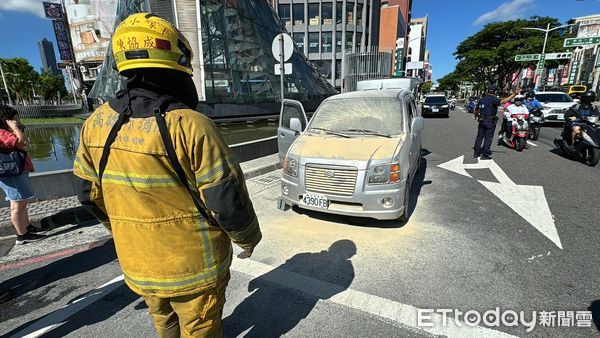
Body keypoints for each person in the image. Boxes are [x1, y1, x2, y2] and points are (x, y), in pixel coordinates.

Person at [73, 13, 261, 337]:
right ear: (178, 65)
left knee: (164, 322)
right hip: (195, 269)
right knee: (200, 327)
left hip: (140, 264)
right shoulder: (191, 125)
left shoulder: (95, 124)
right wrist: (248, 238)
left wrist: (119, 226)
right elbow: (227, 200)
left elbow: (86, 194)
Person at [0, 106, 45, 245]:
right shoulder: (2, 133)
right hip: (11, 172)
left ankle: (27, 226)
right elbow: (22, 141)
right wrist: (15, 128)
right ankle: (22, 235)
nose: (17, 120)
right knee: (17, 204)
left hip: (16, 170)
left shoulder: (5, 131)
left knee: (22, 201)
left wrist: (15, 128)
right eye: (15, 118)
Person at [473, 85, 518, 160]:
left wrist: (477, 117)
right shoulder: (493, 99)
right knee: (488, 137)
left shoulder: (482, 99)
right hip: (490, 121)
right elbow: (503, 101)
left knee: (479, 136)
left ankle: (476, 153)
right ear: (495, 92)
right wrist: (514, 94)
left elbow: (477, 109)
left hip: (482, 120)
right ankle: (485, 154)